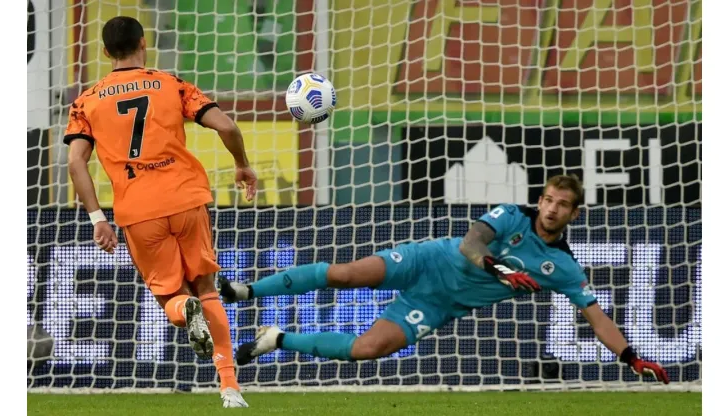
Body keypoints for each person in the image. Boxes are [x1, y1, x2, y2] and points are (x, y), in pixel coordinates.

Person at [220, 175, 670, 384]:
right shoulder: (512, 216)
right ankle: (246, 291)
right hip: (428, 261)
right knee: (346, 274)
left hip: (440, 304)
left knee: (367, 349)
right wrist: (500, 268)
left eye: (562, 204)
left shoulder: (566, 268)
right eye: (548, 199)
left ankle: (275, 339)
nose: (551, 208)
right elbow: (471, 245)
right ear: (541, 199)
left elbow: (597, 317)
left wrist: (632, 357)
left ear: (574, 213)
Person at [64, 16, 257, 408]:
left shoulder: (87, 100)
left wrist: (98, 218)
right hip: (187, 199)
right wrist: (241, 164)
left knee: (172, 297)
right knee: (207, 289)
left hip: (139, 210)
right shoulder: (171, 84)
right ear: (143, 42)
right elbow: (227, 126)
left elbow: (75, 163)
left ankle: (183, 310)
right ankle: (230, 388)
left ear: (104, 52)